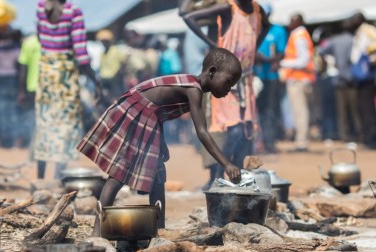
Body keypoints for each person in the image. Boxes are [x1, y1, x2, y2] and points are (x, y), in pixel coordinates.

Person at [77, 48, 243, 236]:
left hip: (147, 115)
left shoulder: (192, 87)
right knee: (119, 173)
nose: (228, 90)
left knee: (158, 174)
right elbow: (202, 132)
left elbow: (158, 110)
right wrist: (227, 164)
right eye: (228, 82)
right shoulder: (193, 89)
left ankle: (159, 230)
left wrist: (160, 142)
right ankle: (97, 232)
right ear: (212, 71)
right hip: (136, 112)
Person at [181, 0, 269, 190]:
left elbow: (267, 25)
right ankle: (217, 176)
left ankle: (238, 176)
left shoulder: (257, 10)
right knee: (224, 130)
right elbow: (187, 15)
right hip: (222, 81)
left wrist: (254, 46)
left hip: (245, 79)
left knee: (245, 130)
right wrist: (212, 44)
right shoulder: (227, 8)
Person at [33, 0, 101, 179]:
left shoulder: (40, 7)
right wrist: (95, 81)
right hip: (65, 75)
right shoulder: (73, 11)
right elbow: (81, 54)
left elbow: (40, 38)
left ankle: (40, 179)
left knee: (45, 123)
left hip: (46, 72)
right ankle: (57, 177)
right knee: (65, 125)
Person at [318, 18, 361, 144]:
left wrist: (329, 62)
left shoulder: (334, 41)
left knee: (341, 110)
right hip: (354, 79)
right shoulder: (355, 40)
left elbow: (321, 50)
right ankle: (357, 134)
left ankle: (344, 135)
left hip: (339, 79)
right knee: (355, 110)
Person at [254, 3, 288, 154]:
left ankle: (270, 142)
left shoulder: (278, 30)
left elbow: (281, 53)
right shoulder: (252, 29)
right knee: (256, 111)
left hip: (271, 78)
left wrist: (267, 60)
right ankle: (257, 143)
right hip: (255, 77)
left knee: (270, 111)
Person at [280, 14, 316, 152]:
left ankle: (302, 142)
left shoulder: (299, 36)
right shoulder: (300, 35)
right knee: (301, 111)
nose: (289, 23)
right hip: (300, 78)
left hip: (299, 79)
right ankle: (301, 140)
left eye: (292, 21)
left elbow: (303, 60)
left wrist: (282, 63)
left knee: (300, 111)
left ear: (298, 22)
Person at [350, 12, 376, 149]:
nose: (351, 21)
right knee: (363, 109)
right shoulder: (360, 31)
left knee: (368, 109)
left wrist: (371, 60)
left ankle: (371, 140)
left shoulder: (368, 30)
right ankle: (367, 138)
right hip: (361, 76)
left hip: (368, 75)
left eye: (354, 18)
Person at [17, 33, 41, 148]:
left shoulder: (28, 42)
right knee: (39, 118)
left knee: (35, 118)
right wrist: (21, 91)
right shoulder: (53, 41)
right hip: (39, 87)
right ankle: (35, 147)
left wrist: (21, 91)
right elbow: (23, 69)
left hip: (34, 87)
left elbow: (22, 70)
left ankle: (35, 147)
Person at [95, 29, 127, 109]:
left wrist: (119, 74)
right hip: (105, 79)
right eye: (102, 41)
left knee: (116, 99)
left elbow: (124, 62)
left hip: (115, 79)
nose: (104, 43)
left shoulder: (115, 50)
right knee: (105, 99)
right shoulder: (103, 53)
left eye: (106, 41)